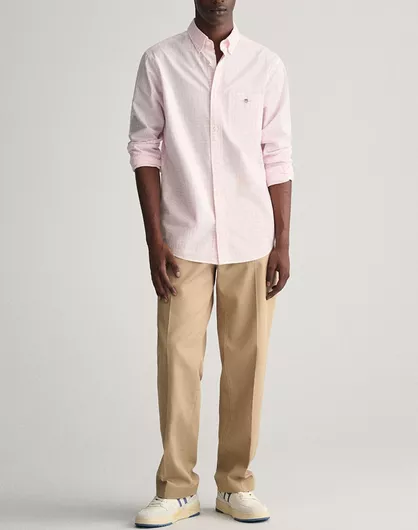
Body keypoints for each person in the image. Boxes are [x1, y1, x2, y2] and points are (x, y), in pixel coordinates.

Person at [127, 0, 293, 526]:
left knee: (248, 364)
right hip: (183, 237)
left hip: (251, 239)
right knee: (178, 363)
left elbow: (276, 154)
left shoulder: (266, 65)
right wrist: (154, 240)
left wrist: (283, 240)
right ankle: (177, 489)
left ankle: (235, 484)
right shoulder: (160, 61)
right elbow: (144, 148)